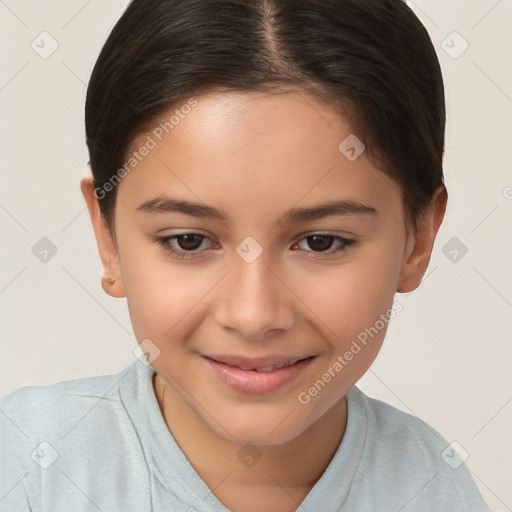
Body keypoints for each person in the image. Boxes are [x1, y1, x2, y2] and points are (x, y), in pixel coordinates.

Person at [0, 0, 492, 510]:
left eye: (322, 242)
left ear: (419, 238)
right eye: (188, 240)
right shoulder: (26, 468)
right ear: (108, 237)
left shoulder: (432, 487)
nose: (253, 315)